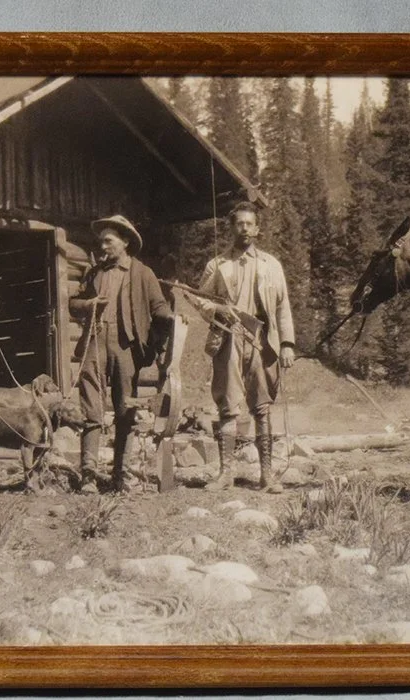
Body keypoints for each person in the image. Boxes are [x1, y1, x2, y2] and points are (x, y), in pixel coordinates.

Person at [189, 202, 295, 493]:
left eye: (250, 224)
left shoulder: (271, 265)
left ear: (257, 229)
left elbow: (283, 306)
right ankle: (226, 475)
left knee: (262, 408)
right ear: (232, 227)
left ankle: (267, 476)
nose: (244, 228)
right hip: (228, 339)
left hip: (262, 342)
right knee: (228, 407)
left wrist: (286, 343)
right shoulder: (217, 265)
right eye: (239, 224)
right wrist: (217, 312)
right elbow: (199, 298)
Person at [69, 215, 172, 493]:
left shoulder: (142, 273)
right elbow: (73, 304)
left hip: (126, 346)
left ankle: (120, 475)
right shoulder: (95, 273)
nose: (103, 246)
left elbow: (160, 309)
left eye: (108, 241)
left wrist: (158, 340)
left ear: (125, 241)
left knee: (125, 409)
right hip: (94, 341)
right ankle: (88, 475)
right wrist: (89, 303)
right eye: (100, 241)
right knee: (91, 407)